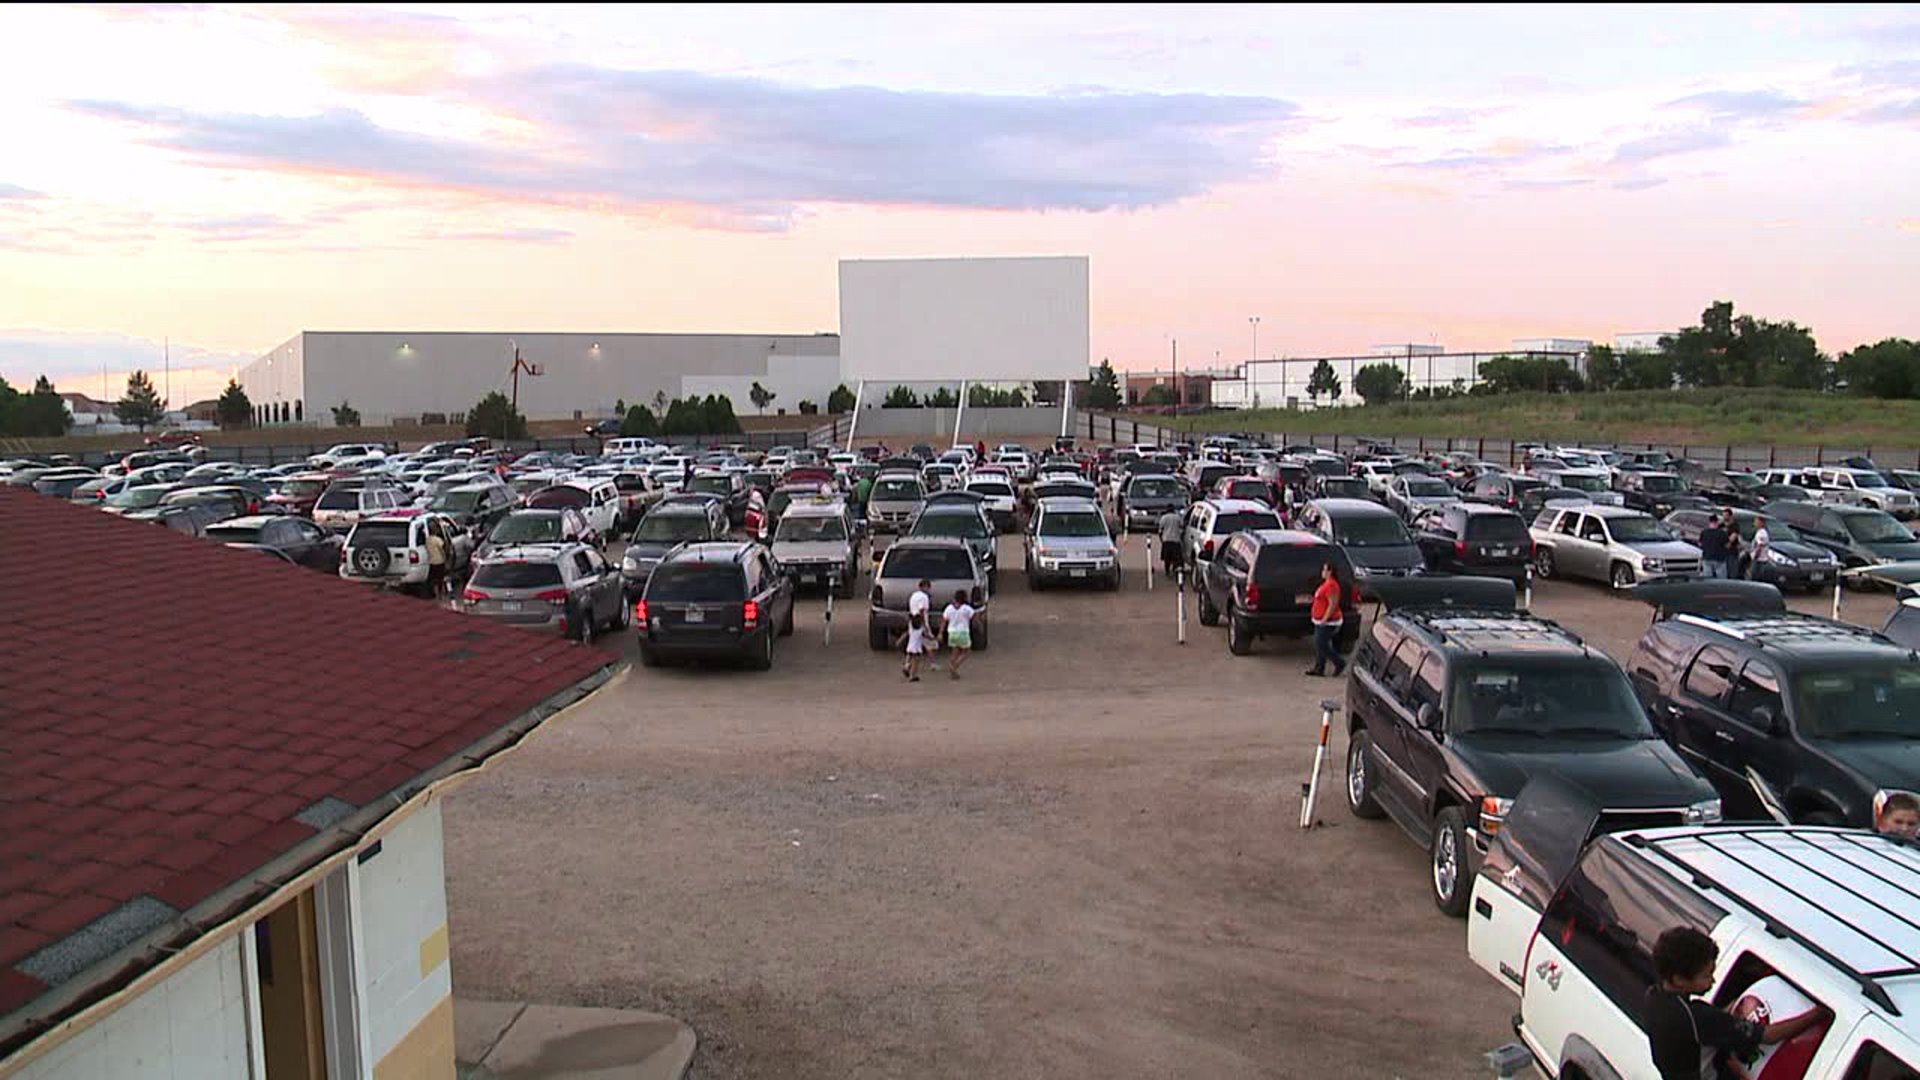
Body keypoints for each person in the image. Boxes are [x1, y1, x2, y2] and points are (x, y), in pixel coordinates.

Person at [1644, 927, 1829, 1080]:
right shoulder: (1696, 1017)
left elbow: (1710, 1025)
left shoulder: (1654, 996)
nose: (1713, 981)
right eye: (1706, 975)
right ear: (1679, 979)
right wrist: (1819, 1013)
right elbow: (1769, 1036)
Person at [1306, 561, 1348, 677]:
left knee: (1322, 644)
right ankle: (1319, 668)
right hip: (1320, 620)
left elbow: (1333, 604)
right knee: (1320, 644)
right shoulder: (1326, 583)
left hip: (1329, 621)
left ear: (1330, 572)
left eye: (1325, 570)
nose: (1322, 572)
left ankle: (1339, 662)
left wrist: (1325, 618)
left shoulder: (1332, 585)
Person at [940, 589, 976, 680]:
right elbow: (974, 617)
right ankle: (955, 666)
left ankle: (953, 670)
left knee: (954, 652)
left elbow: (944, 621)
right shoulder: (966, 608)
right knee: (966, 652)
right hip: (963, 632)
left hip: (952, 632)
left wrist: (940, 632)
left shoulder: (949, 608)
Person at [1699, 513, 1730, 580]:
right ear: (1717, 522)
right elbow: (1727, 545)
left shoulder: (1704, 532)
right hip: (1719, 558)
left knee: (1708, 579)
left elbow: (1700, 544)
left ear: (1709, 522)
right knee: (1721, 580)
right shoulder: (1722, 533)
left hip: (1707, 558)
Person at [1157, 507, 1186, 579]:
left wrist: (1161, 539)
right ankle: (1175, 570)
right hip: (1176, 540)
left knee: (1167, 558)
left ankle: (1167, 571)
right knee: (1176, 557)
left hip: (1166, 540)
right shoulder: (1177, 518)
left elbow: (1160, 530)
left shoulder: (1164, 518)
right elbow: (1182, 527)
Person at [424, 520, 449, 600]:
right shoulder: (437, 540)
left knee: (433, 579)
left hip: (432, 561)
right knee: (440, 579)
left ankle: (434, 593)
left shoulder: (427, 540)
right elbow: (443, 549)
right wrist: (445, 557)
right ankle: (440, 594)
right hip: (440, 561)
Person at [901, 610, 929, 682]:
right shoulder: (921, 630)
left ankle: (906, 666)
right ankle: (912, 676)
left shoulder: (911, 628)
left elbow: (910, 620)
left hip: (910, 646)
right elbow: (927, 635)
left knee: (909, 657)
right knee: (916, 662)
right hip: (917, 648)